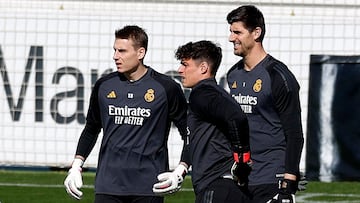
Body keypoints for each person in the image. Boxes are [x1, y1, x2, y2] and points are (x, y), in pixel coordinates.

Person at [63, 25, 190, 203]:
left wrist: (181, 170)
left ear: (140, 53)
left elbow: (190, 133)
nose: (116, 56)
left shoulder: (166, 88)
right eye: (114, 50)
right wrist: (76, 166)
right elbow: (91, 128)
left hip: (149, 187)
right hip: (108, 186)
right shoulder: (104, 85)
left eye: (122, 51)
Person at [153, 40, 252, 203]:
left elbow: (238, 119)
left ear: (203, 68)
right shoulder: (208, 94)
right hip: (222, 187)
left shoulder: (203, 94)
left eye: (185, 65)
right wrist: (181, 169)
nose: (180, 70)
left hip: (217, 188)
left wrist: (242, 159)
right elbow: (193, 136)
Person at [226, 5, 304, 203]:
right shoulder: (233, 74)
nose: (231, 38)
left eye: (237, 32)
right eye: (230, 32)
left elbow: (295, 134)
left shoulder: (278, 76)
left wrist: (289, 181)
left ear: (256, 33)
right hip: (243, 177)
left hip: (272, 177)